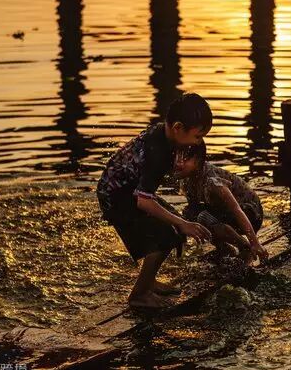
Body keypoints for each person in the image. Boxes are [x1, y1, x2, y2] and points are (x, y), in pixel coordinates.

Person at [96, 93, 213, 308]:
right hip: (116, 197)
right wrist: (183, 223)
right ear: (178, 128)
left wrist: (179, 223)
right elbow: (144, 202)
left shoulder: (164, 134)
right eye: (197, 137)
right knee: (165, 235)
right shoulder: (157, 153)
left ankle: (149, 281)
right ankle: (139, 295)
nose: (199, 143)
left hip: (128, 191)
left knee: (173, 228)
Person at [173, 141, 269, 264]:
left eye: (184, 159)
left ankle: (244, 247)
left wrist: (254, 243)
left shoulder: (212, 181)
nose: (177, 163)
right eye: (175, 157)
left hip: (250, 213)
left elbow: (236, 209)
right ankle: (224, 247)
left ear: (197, 161)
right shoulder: (186, 180)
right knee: (189, 214)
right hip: (225, 211)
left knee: (204, 217)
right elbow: (192, 213)